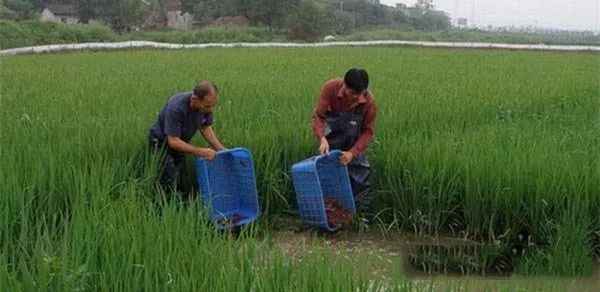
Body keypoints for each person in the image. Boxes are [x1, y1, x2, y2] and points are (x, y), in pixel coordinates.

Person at [312, 68, 378, 216]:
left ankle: (357, 217)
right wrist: (321, 138)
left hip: (352, 145)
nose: (355, 97)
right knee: (324, 178)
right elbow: (319, 116)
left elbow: (368, 132)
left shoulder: (369, 103)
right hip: (329, 143)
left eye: (359, 94)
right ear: (344, 86)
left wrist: (352, 153)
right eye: (352, 93)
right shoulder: (330, 88)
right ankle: (325, 214)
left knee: (360, 179)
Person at [148, 80, 225, 192]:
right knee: (168, 178)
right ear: (195, 99)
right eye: (208, 106)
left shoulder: (205, 106)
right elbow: (173, 141)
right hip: (160, 142)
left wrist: (221, 149)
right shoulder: (177, 107)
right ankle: (164, 204)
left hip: (180, 141)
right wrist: (201, 151)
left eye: (213, 106)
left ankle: (181, 203)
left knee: (181, 177)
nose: (211, 110)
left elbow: (205, 127)